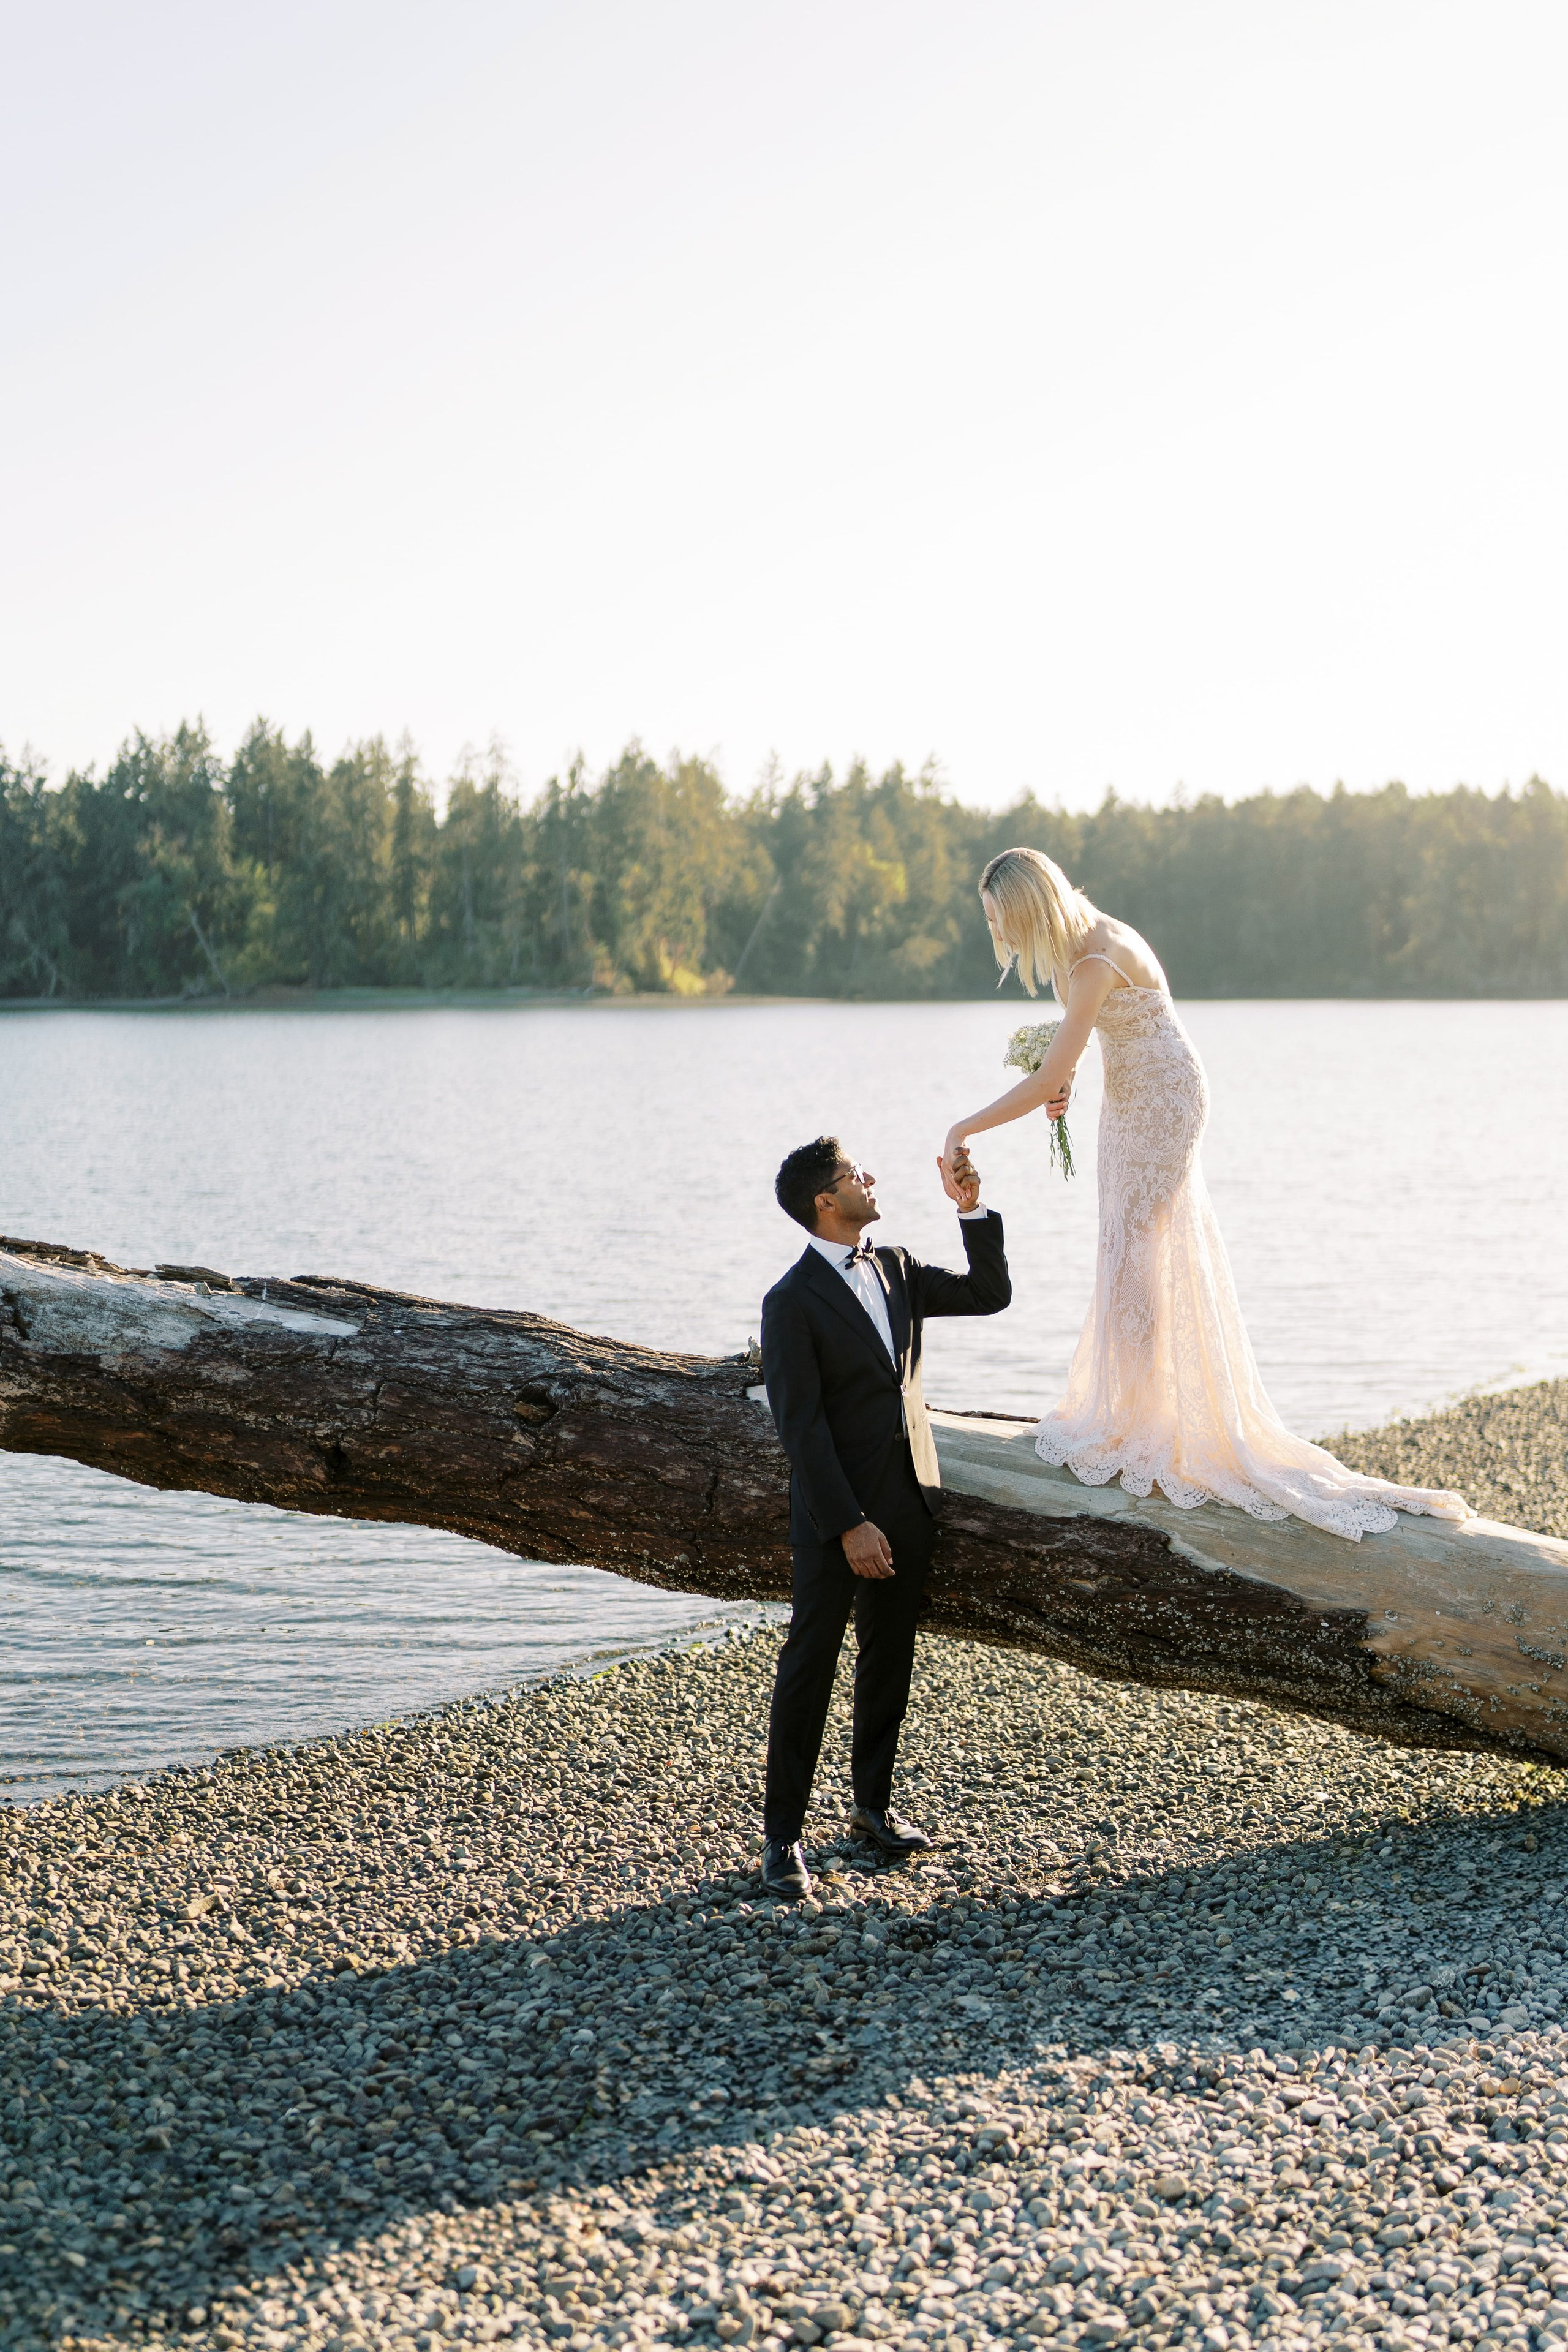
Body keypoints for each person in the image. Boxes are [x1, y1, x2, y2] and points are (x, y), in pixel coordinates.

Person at [940, 845, 1470, 1543]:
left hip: (1162, 1099)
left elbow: (1055, 1072)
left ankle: (1149, 1422)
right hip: (1132, 1096)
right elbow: (1083, 1052)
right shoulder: (1084, 942)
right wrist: (1064, 1080)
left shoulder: (1095, 956)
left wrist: (964, 1127)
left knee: (1138, 1251)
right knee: (1128, 1249)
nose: (1000, 934)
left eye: (1001, 919)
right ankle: (1139, 1412)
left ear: (1030, 907)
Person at [757, 1137, 1012, 1901]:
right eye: (851, 1175)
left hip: (911, 1500)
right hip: (836, 1519)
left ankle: (872, 1808)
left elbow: (989, 1294)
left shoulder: (895, 1265)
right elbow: (799, 1428)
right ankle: (781, 1840)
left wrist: (973, 1213)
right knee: (809, 1671)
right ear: (824, 1203)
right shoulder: (789, 1302)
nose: (869, 1178)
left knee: (888, 1662)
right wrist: (849, 1525)